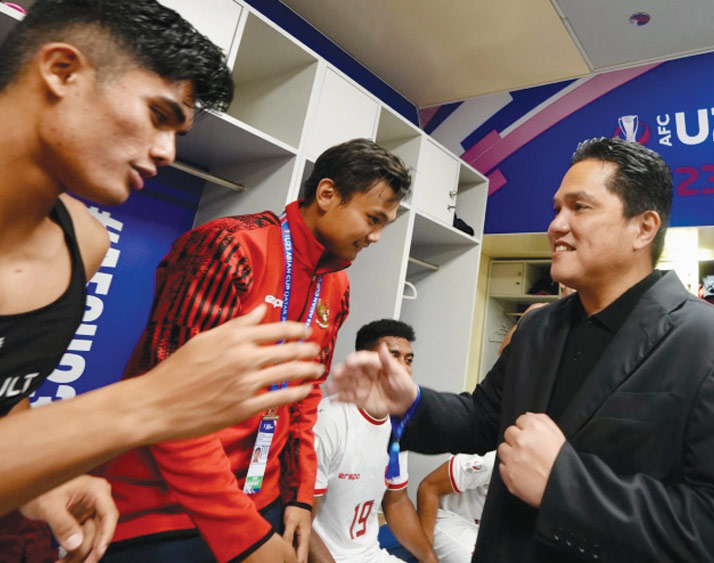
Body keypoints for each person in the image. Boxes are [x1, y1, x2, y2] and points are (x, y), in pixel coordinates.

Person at [328, 137, 714, 561]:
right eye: (556, 208)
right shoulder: (539, 328)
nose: (556, 225)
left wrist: (565, 486)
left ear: (644, 228)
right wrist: (409, 403)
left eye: (579, 208)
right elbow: (483, 418)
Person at [0, 0, 323, 561]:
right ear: (62, 71)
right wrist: (148, 404)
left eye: (178, 131)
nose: (167, 152)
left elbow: (8, 401)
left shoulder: (84, 244)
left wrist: (42, 477)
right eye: (157, 114)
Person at [101, 139, 411, 563]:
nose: (376, 237)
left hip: (262, 502)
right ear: (326, 194)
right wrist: (242, 533)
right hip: (165, 508)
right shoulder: (230, 247)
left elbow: (304, 394)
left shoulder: (336, 284)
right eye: (373, 219)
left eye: (385, 225)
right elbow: (170, 401)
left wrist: (299, 496)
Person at [310, 319, 437, 563]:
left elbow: (396, 501)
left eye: (408, 360)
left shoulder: (398, 423)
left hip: (370, 554)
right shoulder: (330, 419)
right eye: (393, 356)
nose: (403, 368)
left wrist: (430, 558)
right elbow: (302, 522)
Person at [417, 451, 495, 563]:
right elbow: (429, 488)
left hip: (491, 531)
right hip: (448, 519)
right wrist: (425, 555)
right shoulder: (492, 459)